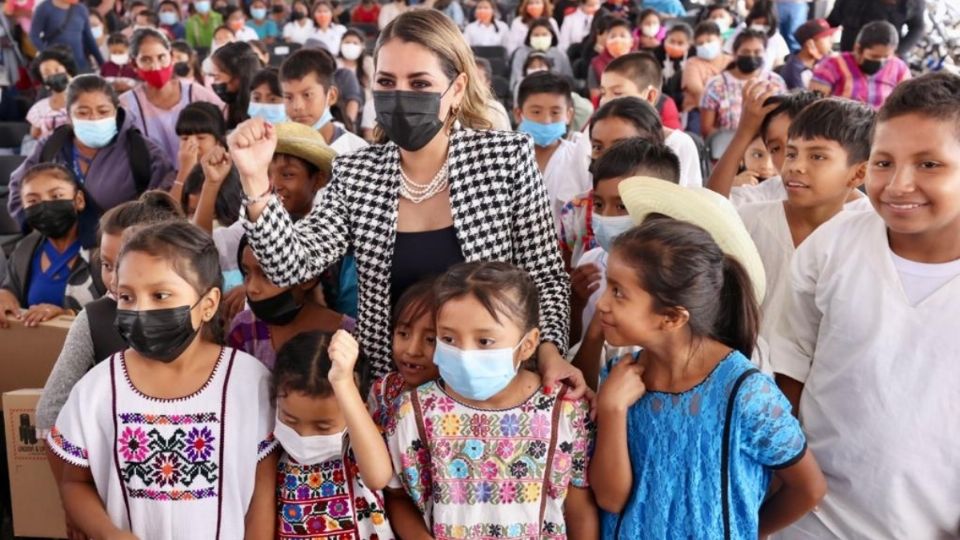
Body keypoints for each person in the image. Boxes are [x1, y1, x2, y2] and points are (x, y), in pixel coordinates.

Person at [229, 9, 586, 394]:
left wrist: (549, 352)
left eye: (419, 83)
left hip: (494, 391)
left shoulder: (505, 158)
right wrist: (254, 182)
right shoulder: (356, 173)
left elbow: (545, 277)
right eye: (386, 81)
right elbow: (291, 267)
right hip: (394, 393)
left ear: (457, 89)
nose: (400, 96)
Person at [772, 72, 960, 539]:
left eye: (929, 165)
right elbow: (788, 369)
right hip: (808, 522)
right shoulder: (833, 246)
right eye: (883, 162)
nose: (898, 185)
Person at [590, 209, 825, 537]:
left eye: (618, 292)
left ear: (672, 317)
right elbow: (611, 499)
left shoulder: (744, 394)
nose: (602, 303)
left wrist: (747, 530)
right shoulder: (620, 379)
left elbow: (808, 489)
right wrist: (612, 410)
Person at [46, 221, 278, 539]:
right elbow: (74, 482)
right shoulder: (98, 389)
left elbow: (262, 497)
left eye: (161, 295)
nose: (141, 310)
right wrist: (108, 533)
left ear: (208, 304)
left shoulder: (250, 384)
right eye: (126, 297)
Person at [384, 261, 598, 538]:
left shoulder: (565, 410)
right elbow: (398, 496)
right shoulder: (413, 413)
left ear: (529, 344)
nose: (464, 353)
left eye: (484, 341)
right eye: (448, 338)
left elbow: (580, 508)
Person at [35, 190, 183, 475]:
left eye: (125, 264)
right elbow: (48, 412)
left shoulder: (197, 315)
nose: (114, 280)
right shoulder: (93, 320)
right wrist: (74, 484)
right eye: (106, 265)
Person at [738, 98, 874, 372]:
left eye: (817, 156)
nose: (795, 166)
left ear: (859, 172)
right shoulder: (747, 222)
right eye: (791, 153)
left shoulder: (870, 238)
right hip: (743, 382)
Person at [569, 138, 681, 383]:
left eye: (621, 206)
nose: (605, 217)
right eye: (598, 204)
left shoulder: (679, 277)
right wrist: (576, 305)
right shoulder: (591, 261)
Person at [271, 330, 394, 538]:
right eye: (290, 421)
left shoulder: (357, 445)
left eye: (322, 427)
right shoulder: (271, 453)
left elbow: (378, 477)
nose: (304, 435)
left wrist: (343, 383)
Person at [9, 75, 174, 225]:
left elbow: (162, 200)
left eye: (103, 111)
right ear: (69, 115)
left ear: (116, 112)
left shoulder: (142, 150)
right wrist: (36, 227)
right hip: (60, 247)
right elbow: (19, 186)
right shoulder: (52, 146)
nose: (94, 119)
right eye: (83, 112)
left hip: (124, 248)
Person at [559, 96, 664, 267]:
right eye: (597, 147)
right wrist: (575, 290)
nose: (607, 157)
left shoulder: (664, 212)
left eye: (621, 146)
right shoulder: (576, 209)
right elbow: (563, 273)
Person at [228, 236, 355, 370]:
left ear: (307, 279)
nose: (251, 287)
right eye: (247, 273)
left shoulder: (348, 337)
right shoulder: (244, 328)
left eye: (266, 275)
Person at [0, 164, 99, 328]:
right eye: (33, 200)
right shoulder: (26, 247)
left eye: (57, 196)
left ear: (79, 200)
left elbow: (118, 309)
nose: (45, 206)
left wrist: (67, 314)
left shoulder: (103, 250)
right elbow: (11, 288)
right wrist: (5, 294)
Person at [120, 28, 224, 166]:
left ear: (172, 57)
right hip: (155, 183)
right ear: (134, 64)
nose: (156, 67)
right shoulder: (127, 104)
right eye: (146, 60)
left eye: (161, 57)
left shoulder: (195, 93)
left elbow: (224, 126)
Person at [708, 84, 823, 205]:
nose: (786, 158)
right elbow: (714, 206)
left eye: (795, 145)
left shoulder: (842, 201)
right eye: (775, 149)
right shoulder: (767, 194)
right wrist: (744, 133)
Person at [598, 52, 699, 185]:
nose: (605, 101)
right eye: (603, 93)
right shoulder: (594, 136)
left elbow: (689, 199)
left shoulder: (678, 144)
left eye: (617, 93)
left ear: (650, 96)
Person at [515, 72, 589, 228]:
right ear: (519, 114)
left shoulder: (577, 157)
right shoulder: (503, 158)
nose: (546, 120)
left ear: (568, 115)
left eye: (555, 112)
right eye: (536, 112)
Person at [365, 277, 439, 432]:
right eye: (404, 334)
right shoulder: (382, 389)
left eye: (431, 340)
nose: (412, 350)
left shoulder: (455, 405)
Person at [280, 47, 367, 154]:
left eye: (307, 95)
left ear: (331, 96)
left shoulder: (356, 150)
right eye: (289, 97)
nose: (297, 106)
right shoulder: (275, 146)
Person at [700, 29, 786, 137]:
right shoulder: (716, 85)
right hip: (727, 146)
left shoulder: (775, 82)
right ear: (735, 54)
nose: (751, 55)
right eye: (745, 52)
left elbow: (782, 120)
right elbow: (707, 129)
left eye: (757, 52)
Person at [809, 21, 911, 110]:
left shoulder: (899, 69)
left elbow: (905, 107)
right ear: (858, 49)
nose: (881, 61)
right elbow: (813, 104)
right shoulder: (832, 65)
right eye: (874, 56)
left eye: (886, 57)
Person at [827, 0, 925, 57]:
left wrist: (898, 52)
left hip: (884, 60)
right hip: (849, 55)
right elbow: (833, 20)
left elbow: (917, 27)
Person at [29, 0, 104, 71]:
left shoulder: (81, 9)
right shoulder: (44, 8)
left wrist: (102, 64)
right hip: (58, 66)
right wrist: (49, 54)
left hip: (80, 64)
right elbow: (34, 36)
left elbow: (89, 39)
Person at [681, 22, 732, 119]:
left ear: (720, 40)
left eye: (709, 41)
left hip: (730, 111)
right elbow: (698, 91)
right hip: (697, 110)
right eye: (700, 43)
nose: (705, 45)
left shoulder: (732, 61)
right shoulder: (692, 63)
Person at [509, 17, 573, 90]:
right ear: (529, 37)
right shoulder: (521, 53)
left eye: (544, 34)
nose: (540, 37)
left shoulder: (560, 54)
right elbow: (515, 81)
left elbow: (568, 80)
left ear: (552, 36)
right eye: (536, 35)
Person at [27, 47, 77, 140]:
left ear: (67, 70)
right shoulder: (40, 108)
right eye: (47, 73)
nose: (53, 74)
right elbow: (34, 135)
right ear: (43, 81)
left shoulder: (86, 98)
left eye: (57, 70)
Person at [210, 41, 260, 129]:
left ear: (237, 78)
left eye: (217, 77)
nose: (213, 82)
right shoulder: (227, 109)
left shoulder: (258, 112)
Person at [727, 0, 790, 70]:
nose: (761, 27)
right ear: (750, 21)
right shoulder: (741, 31)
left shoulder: (776, 38)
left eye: (765, 25)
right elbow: (728, 55)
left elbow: (778, 64)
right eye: (758, 23)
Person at [781, 18, 836, 90]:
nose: (831, 41)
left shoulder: (823, 59)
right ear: (810, 43)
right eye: (826, 37)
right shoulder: (793, 69)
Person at [587, 17, 633, 101]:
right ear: (606, 41)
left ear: (631, 41)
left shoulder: (640, 63)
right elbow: (595, 96)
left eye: (622, 35)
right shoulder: (596, 64)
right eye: (613, 36)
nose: (618, 39)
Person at [654, 23, 691, 110]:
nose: (675, 46)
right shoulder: (656, 55)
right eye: (672, 41)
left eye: (680, 43)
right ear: (665, 40)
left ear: (688, 44)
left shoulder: (693, 58)